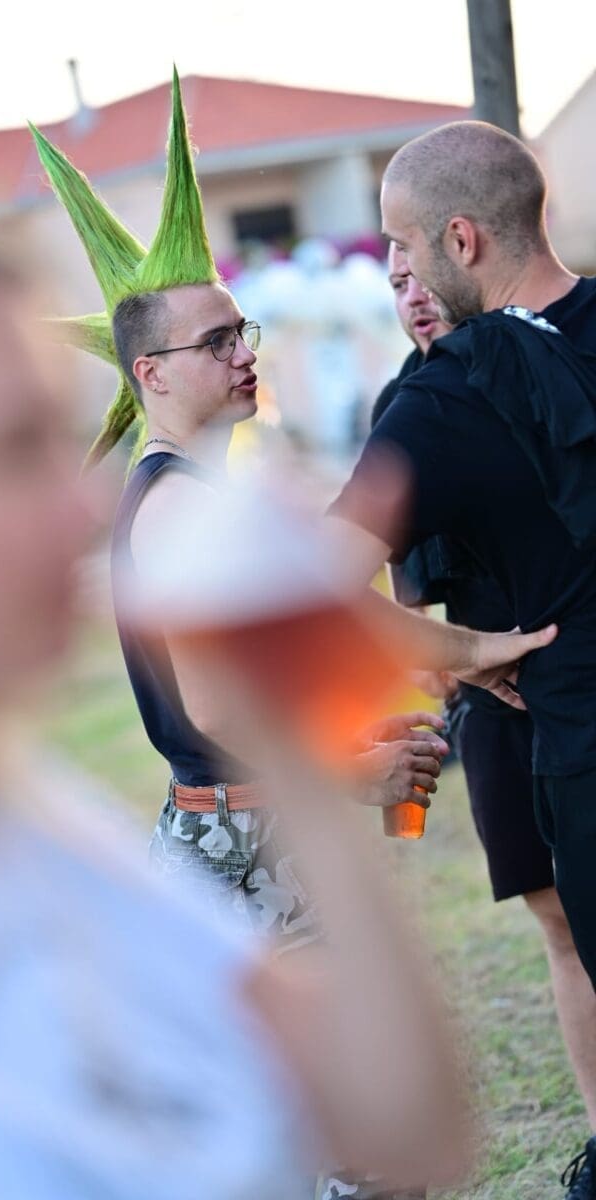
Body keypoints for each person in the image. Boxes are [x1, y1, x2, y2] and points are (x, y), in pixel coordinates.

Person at [0, 203, 469, 1198]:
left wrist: (303, 748)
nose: (82, 510)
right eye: (11, 447)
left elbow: (405, 1125)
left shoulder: (31, 832)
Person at [32, 72, 556, 1200]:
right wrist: (354, 772)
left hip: (248, 837)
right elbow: (221, 705)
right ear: (148, 373)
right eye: (215, 340)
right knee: (360, 1156)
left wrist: (471, 655)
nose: (244, 352)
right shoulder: (175, 504)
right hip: (243, 848)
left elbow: (322, 607)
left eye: (243, 330)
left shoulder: (198, 497)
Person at [331, 119, 596, 1196]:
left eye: (401, 246)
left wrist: (471, 649)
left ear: (460, 239)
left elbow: (307, 586)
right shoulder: (435, 389)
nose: (397, 272)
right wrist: (455, 648)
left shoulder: (446, 399)